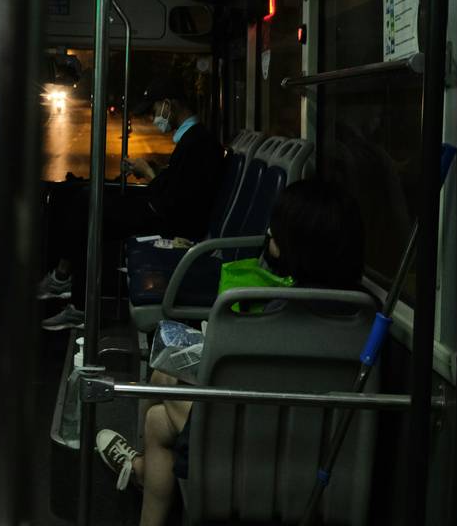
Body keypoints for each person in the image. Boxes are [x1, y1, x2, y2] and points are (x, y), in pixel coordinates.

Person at [92, 179, 366, 526]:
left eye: (277, 227)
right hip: (335, 460)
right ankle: (144, 469)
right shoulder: (365, 320)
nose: (269, 233)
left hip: (252, 453)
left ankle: (143, 470)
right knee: (160, 416)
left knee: (161, 394)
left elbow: (241, 397)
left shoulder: (270, 317)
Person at [39, 79, 223, 331]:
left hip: (171, 223)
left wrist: (148, 172)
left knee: (87, 204)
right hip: (161, 211)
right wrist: (151, 172)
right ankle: (72, 290)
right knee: (83, 198)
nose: (153, 118)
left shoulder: (199, 143)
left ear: (168, 105)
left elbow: (176, 202)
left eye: (154, 110)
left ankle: (68, 286)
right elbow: (177, 187)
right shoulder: (193, 140)